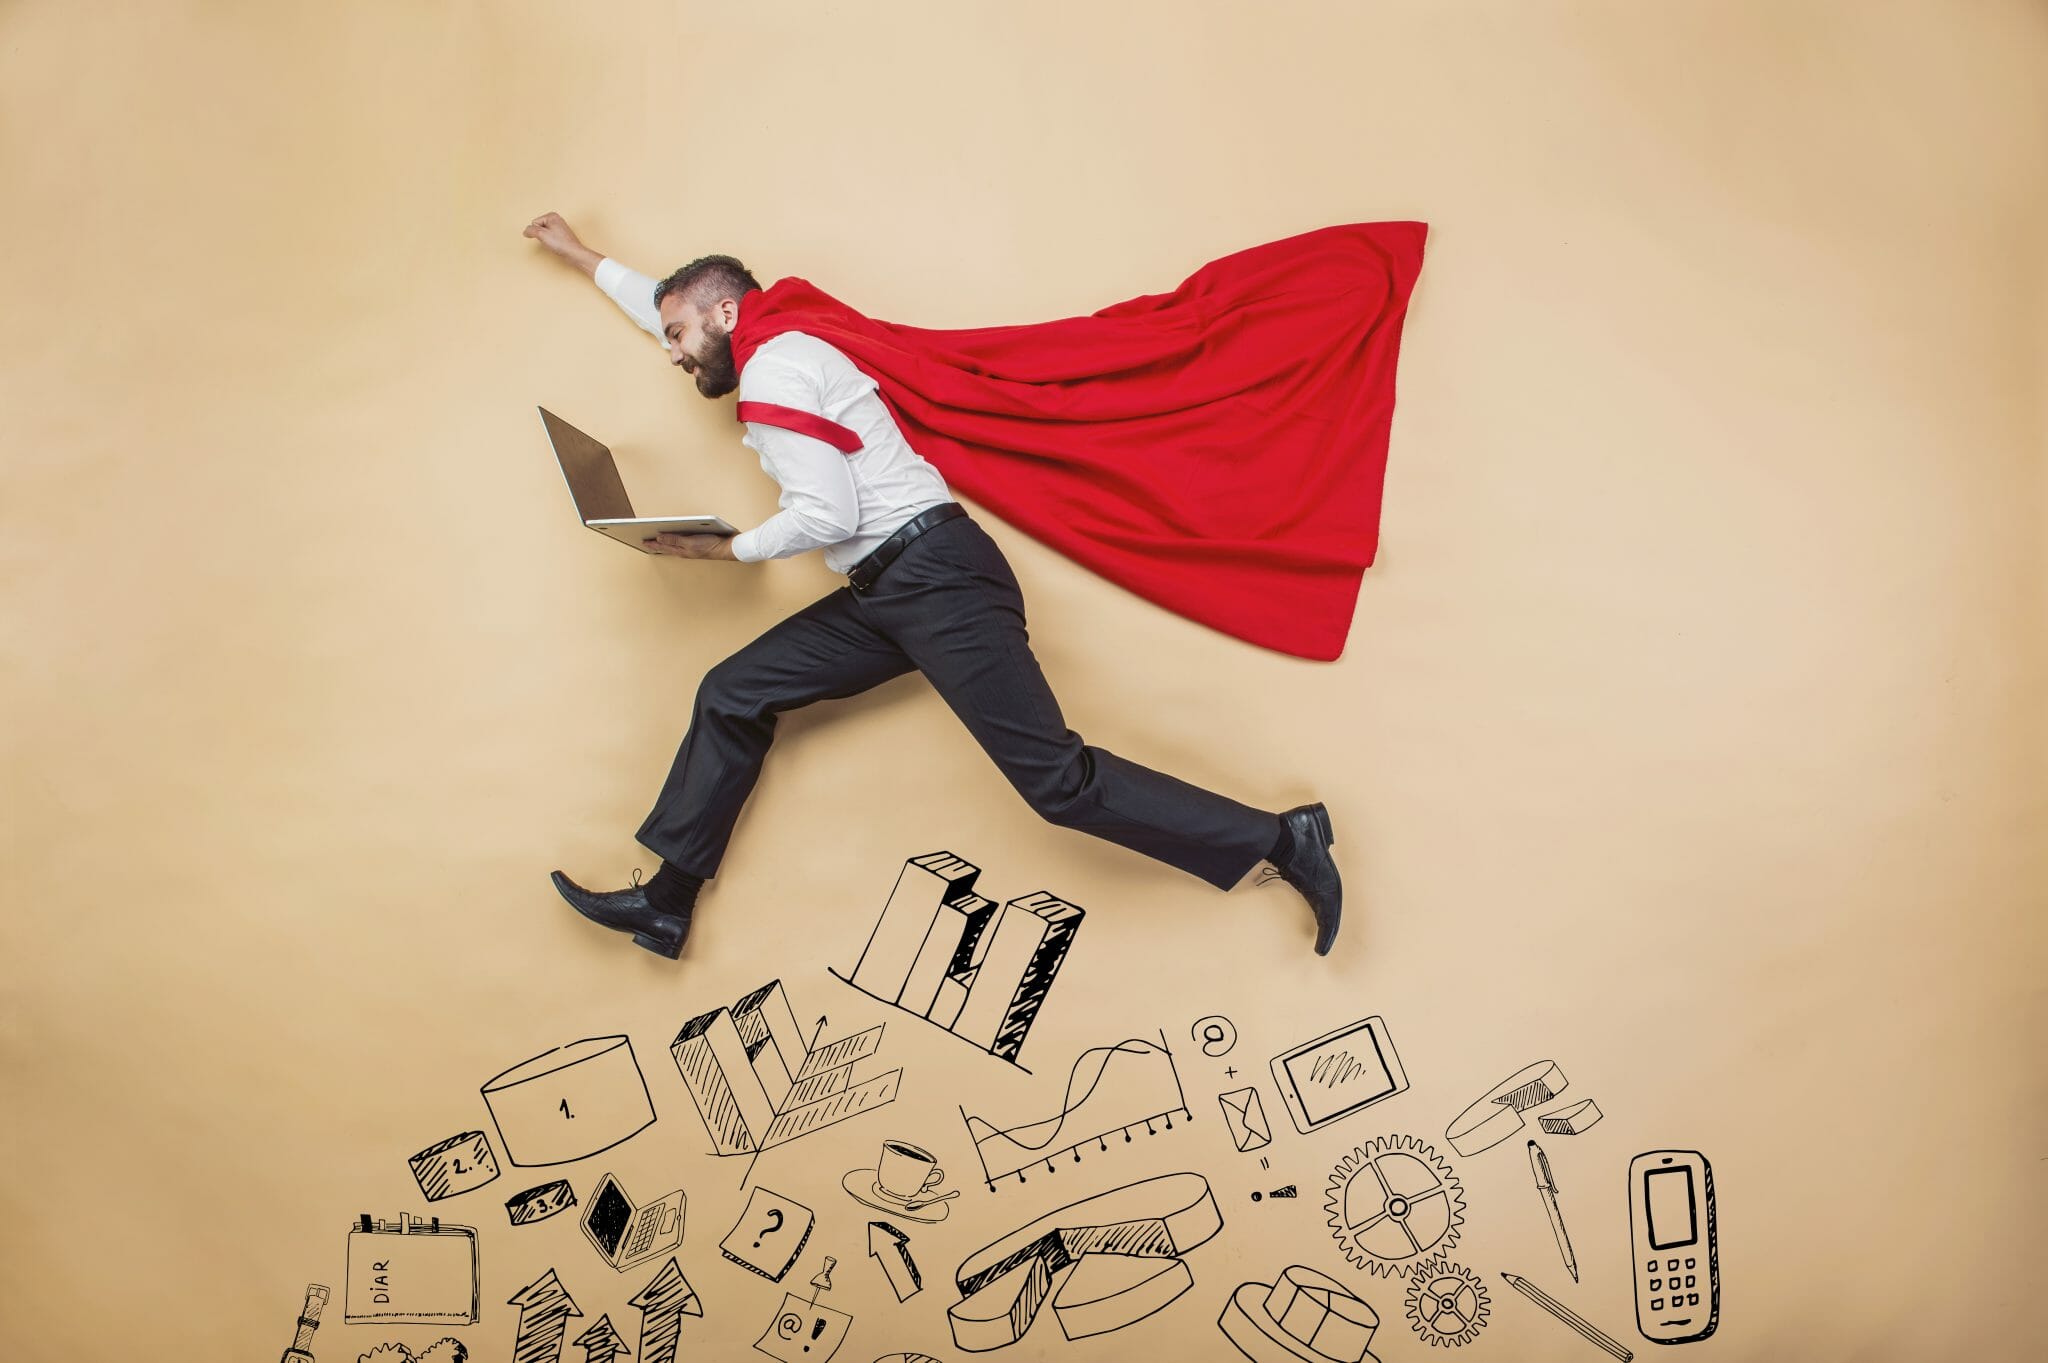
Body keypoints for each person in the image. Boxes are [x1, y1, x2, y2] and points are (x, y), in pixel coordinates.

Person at [523, 212, 1343, 959]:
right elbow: (675, 307)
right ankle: (668, 903)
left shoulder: (776, 368)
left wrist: (729, 551)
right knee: (734, 690)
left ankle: (1281, 838)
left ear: (726, 316)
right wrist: (586, 258)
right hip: (890, 589)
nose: (670, 352)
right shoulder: (781, 332)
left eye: (676, 336)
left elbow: (827, 508)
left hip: (935, 579)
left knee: (1057, 784)